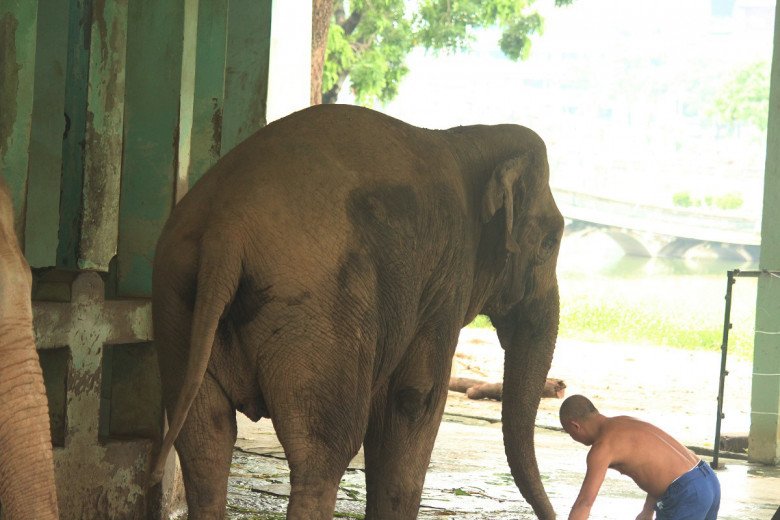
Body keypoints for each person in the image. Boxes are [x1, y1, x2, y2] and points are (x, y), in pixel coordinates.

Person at [559, 394, 720, 520]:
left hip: (687, 493)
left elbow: (584, 503)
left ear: (575, 426)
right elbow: (657, 467)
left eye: (568, 432)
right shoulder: (625, 422)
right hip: (707, 480)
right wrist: (647, 511)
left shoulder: (602, 448)